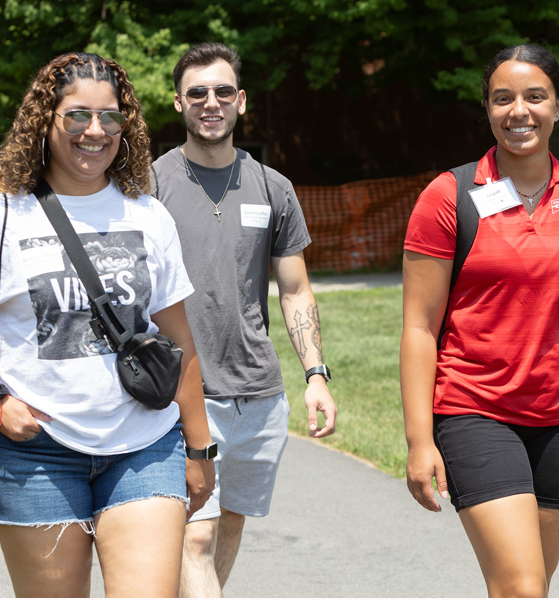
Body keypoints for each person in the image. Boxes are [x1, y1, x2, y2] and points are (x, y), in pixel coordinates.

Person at [0, 52, 216, 598]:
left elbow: (179, 341)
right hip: (37, 454)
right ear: (45, 119)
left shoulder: (147, 214)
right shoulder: (8, 212)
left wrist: (198, 450)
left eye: (110, 116)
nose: (95, 130)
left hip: (145, 444)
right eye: (77, 115)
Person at [400, 43, 559, 598]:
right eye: (503, 98)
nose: (520, 111)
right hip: (475, 408)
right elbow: (418, 327)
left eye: (535, 97)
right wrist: (420, 441)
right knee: (522, 586)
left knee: (531, 583)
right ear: (487, 109)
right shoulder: (450, 196)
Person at [151, 42, 338, 597]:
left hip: (258, 394)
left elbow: (295, 289)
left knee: (229, 523)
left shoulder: (272, 187)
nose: (212, 102)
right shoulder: (151, 185)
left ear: (242, 101)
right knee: (196, 538)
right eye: (198, 93)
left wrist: (316, 376)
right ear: (179, 103)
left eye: (223, 91)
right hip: (186, 392)